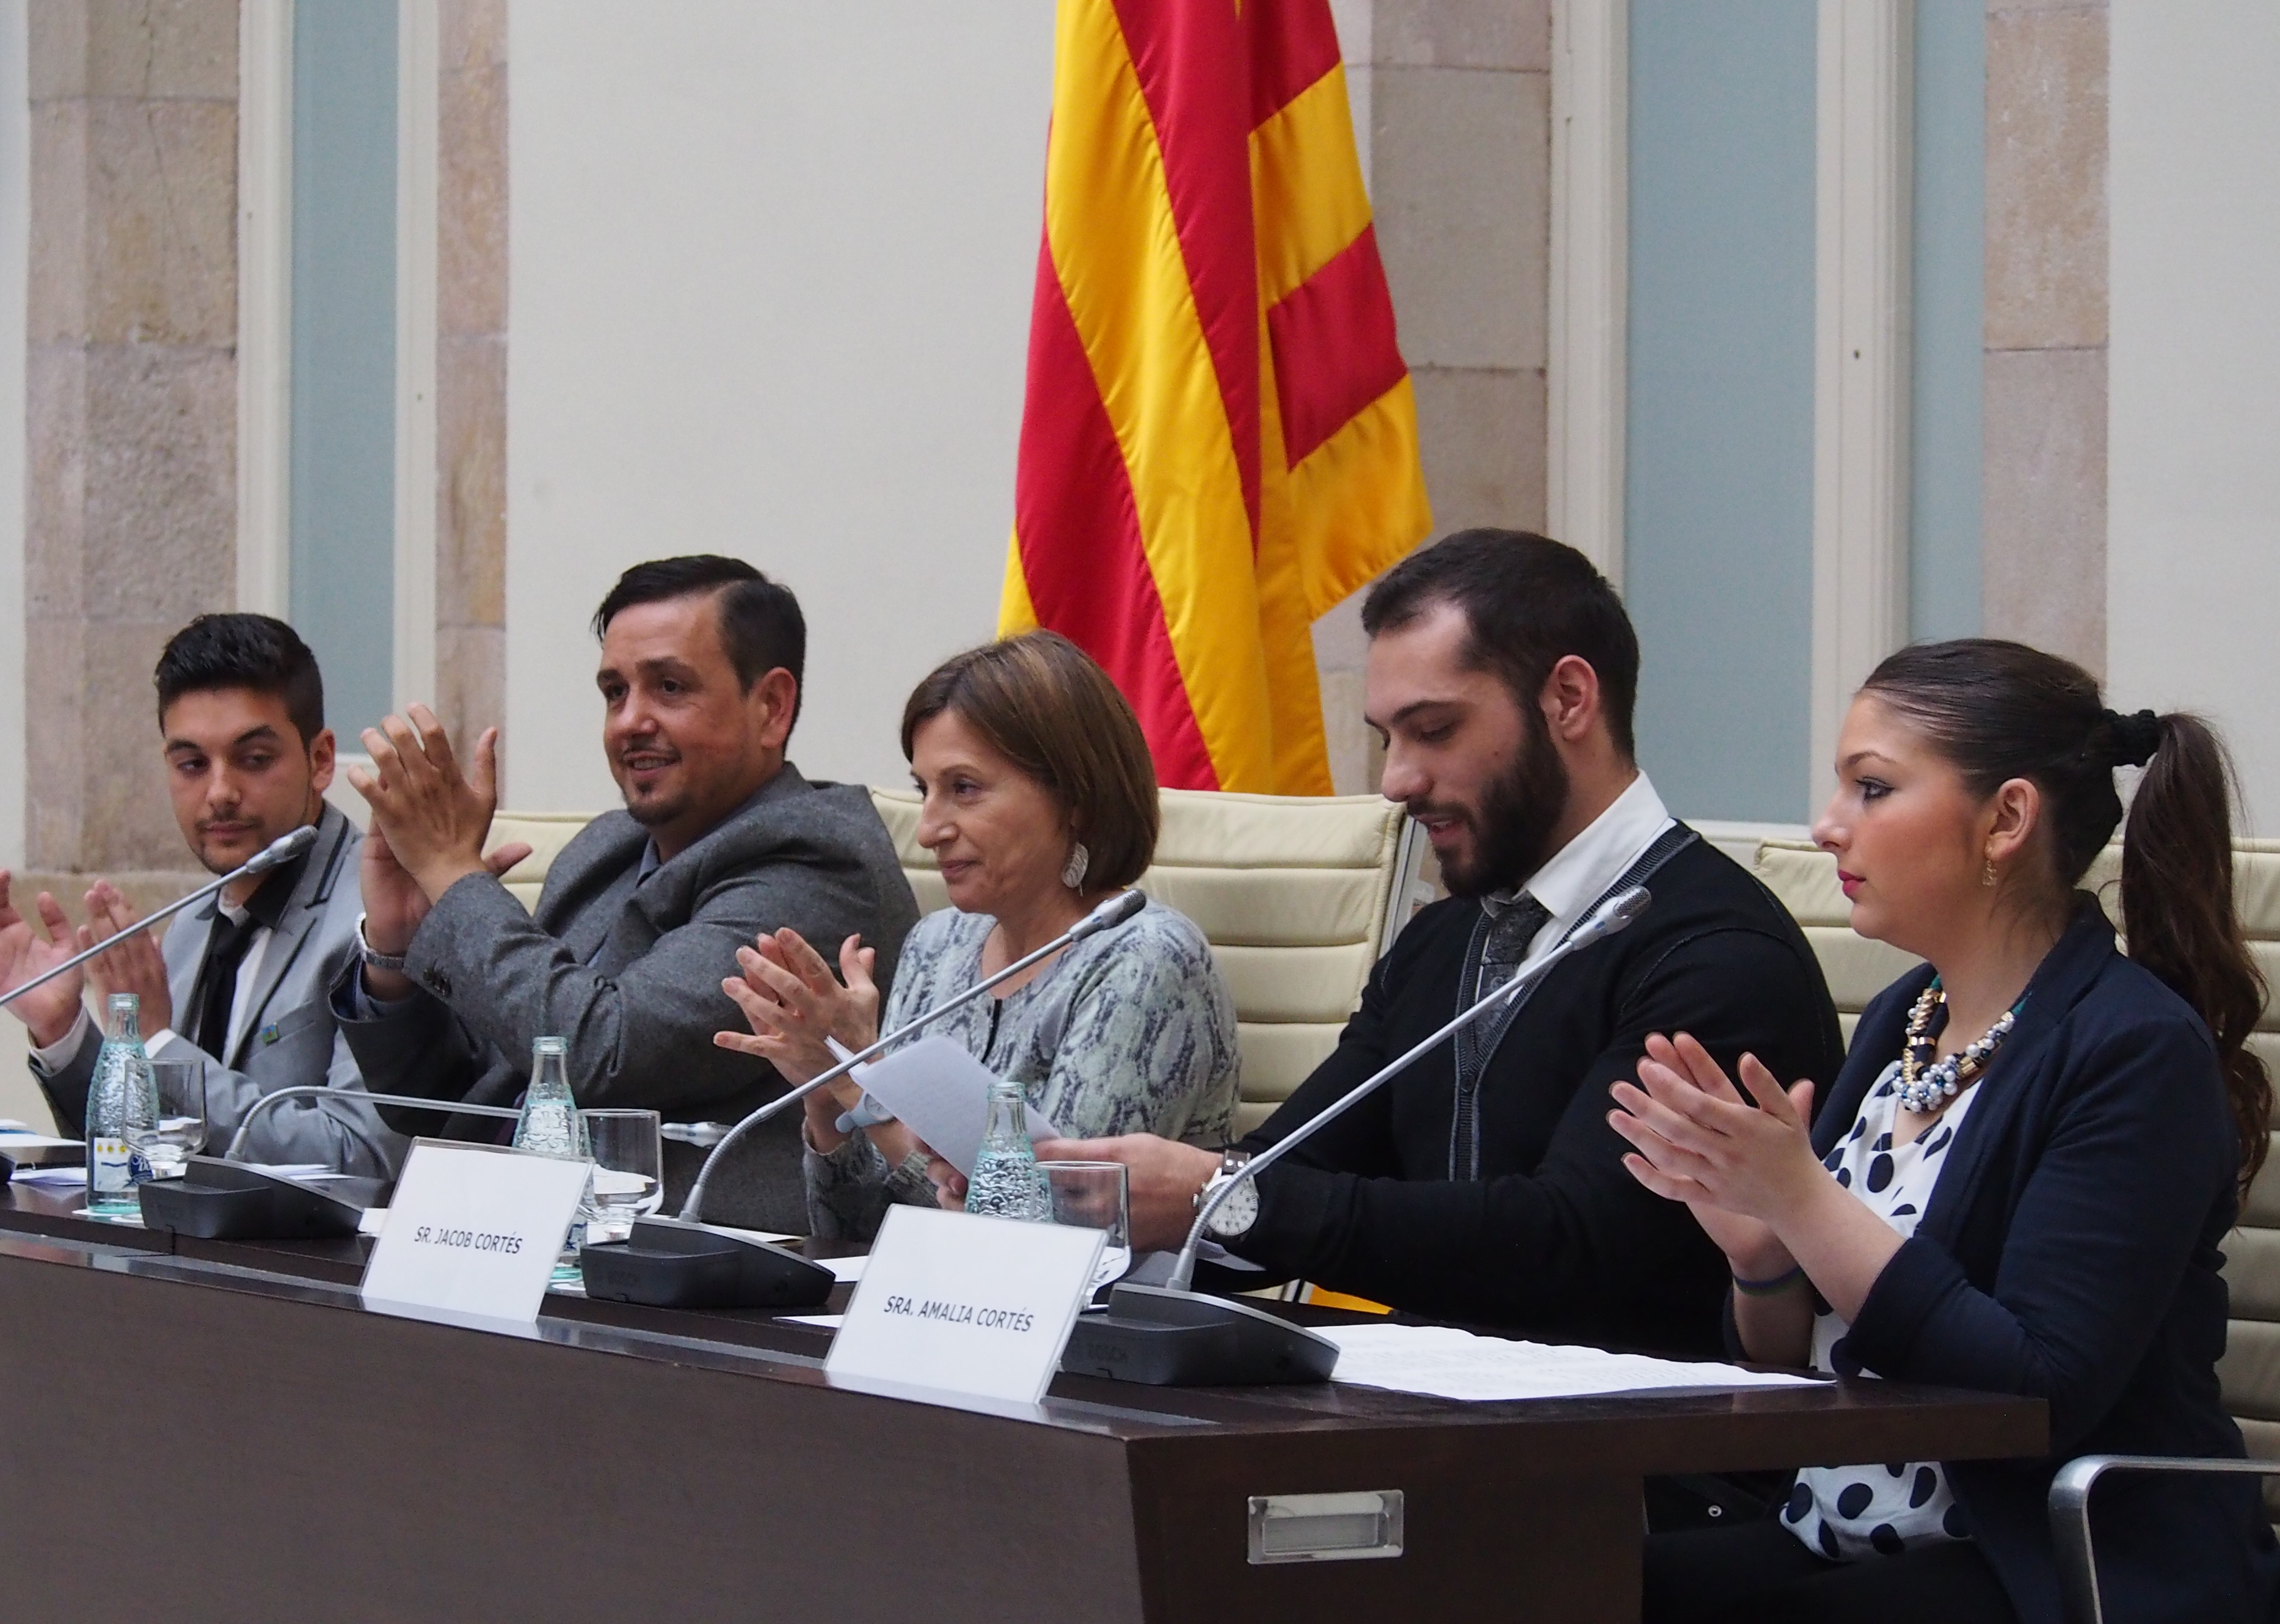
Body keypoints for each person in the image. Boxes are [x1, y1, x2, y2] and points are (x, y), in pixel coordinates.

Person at [1614, 639, 2280, 1624]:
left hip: (2053, 1572)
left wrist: (1805, 1202)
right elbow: (1795, 1352)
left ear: (2005, 820)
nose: (1827, 827)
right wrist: (1761, 1257)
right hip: (1849, 1527)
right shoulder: (1903, 1022)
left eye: (1872, 789)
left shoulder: (2133, 1051)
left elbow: (2037, 1387)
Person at [1040, 528, 1843, 1356]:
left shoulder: (1717, 953)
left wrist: (1229, 1197)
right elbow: (1294, 1168)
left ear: (1568, 699)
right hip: (1433, 1439)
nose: (1396, 781)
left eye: (1434, 730)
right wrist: (1097, 1203)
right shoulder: (1442, 942)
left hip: (1632, 1466)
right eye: (1390, 737)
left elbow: (1573, 1246)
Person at [333, 555, 920, 1231]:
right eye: (615, 692)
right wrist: (397, 951)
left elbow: (603, 1058)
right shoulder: (604, 851)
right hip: (515, 1245)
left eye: (670, 688)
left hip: (697, 1281)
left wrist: (453, 878)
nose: (628, 722)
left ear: (771, 707)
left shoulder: (817, 858)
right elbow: (449, 1104)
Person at [718, 633, 1239, 1242]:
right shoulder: (936, 947)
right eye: (924, 790)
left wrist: (861, 1086)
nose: (931, 829)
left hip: (1104, 1327)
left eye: (963, 788)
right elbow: (856, 1235)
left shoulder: (1146, 959)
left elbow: (1049, 1236)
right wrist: (830, 1103)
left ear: (1073, 798)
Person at [0, 613, 401, 1178]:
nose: (220, 793)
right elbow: (131, 1154)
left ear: (320, 760)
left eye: (254, 760)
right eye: (192, 764)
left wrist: (158, 1045)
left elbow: (357, 1158)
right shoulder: (190, 926)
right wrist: (65, 1033)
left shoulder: (384, 922)